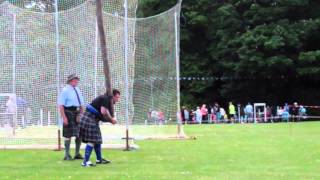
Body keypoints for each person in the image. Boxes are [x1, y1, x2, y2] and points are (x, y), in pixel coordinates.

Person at [80, 89, 119, 167]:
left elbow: (103, 116)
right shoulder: (106, 99)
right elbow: (103, 112)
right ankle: (85, 162)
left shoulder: (107, 101)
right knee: (92, 140)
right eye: (117, 98)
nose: (118, 100)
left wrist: (111, 120)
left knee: (97, 140)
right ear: (113, 96)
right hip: (89, 118)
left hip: (93, 119)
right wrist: (111, 120)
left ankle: (99, 159)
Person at [58, 74, 84, 160]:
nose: (77, 81)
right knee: (68, 134)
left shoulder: (77, 89)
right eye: (75, 80)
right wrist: (64, 117)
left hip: (76, 112)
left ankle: (77, 153)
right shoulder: (65, 90)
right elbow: (61, 105)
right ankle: (67, 155)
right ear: (70, 81)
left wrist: (81, 113)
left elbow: (81, 103)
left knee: (79, 134)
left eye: (77, 80)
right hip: (68, 112)